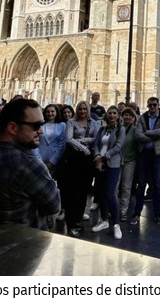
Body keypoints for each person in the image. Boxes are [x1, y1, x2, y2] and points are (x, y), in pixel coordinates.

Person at [0, 98, 60, 229]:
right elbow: (54, 206)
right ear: (12, 128)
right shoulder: (28, 165)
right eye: (36, 126)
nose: (41, 131)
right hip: (20, 244)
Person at [59, 100, 101, 236]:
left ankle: (77, 220)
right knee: (72, 191)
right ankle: (70, 222)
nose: (82, 111)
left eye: (84, 109)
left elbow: (95, 139)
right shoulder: (71, 122)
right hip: (74, 160)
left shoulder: (94, 123)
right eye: (80, 109)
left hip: (87, 162)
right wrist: (84, 147)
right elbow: (68, 139)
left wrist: (80, 141)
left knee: (84, 192)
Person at [132, 97, 160, 225]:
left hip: (157, 154)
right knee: (141, 184)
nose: (152, 107)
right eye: (150, 105)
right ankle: (137, 212)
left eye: (154, 105)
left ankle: (158, 213)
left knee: (158, 184)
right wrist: (152, 136)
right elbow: (137, 135)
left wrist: (146, 133)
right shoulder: (143, 117)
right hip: (144, 154)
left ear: (158, 105)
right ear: (147, 106)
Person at [92, 105, 125, 240]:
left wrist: (103, 157)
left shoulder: (120, 130)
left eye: (114, 113)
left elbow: (118, 146)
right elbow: (96, 145)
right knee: (100, 192)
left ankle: (116, 224)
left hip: (112, 164)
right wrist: (97, 156)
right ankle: (104, 220)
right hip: (100, 163)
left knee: (110, 193)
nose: (112, 115)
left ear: (118, 115)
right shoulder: (102, 129)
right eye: (110, 113)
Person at [118, 107, 138, 221]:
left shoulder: (135, 130)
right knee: (115, 186)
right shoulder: (118, 128)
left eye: (130, 115)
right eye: (126, 115)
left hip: (130, 161)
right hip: (116, 160)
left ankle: (123, 211)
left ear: (133, 117)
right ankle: (114, 209)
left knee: (126, 186)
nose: (128, 117)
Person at [37, 104, 67, 176]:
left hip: (53, 159)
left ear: (56, 112)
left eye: (52, 111)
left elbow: (61, 145)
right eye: (48, 112)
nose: (50, 114)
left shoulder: (62, 125)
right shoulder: (39, 125)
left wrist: (52, 162)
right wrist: (38, 159)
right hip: (39, 158)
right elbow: (35, 142)